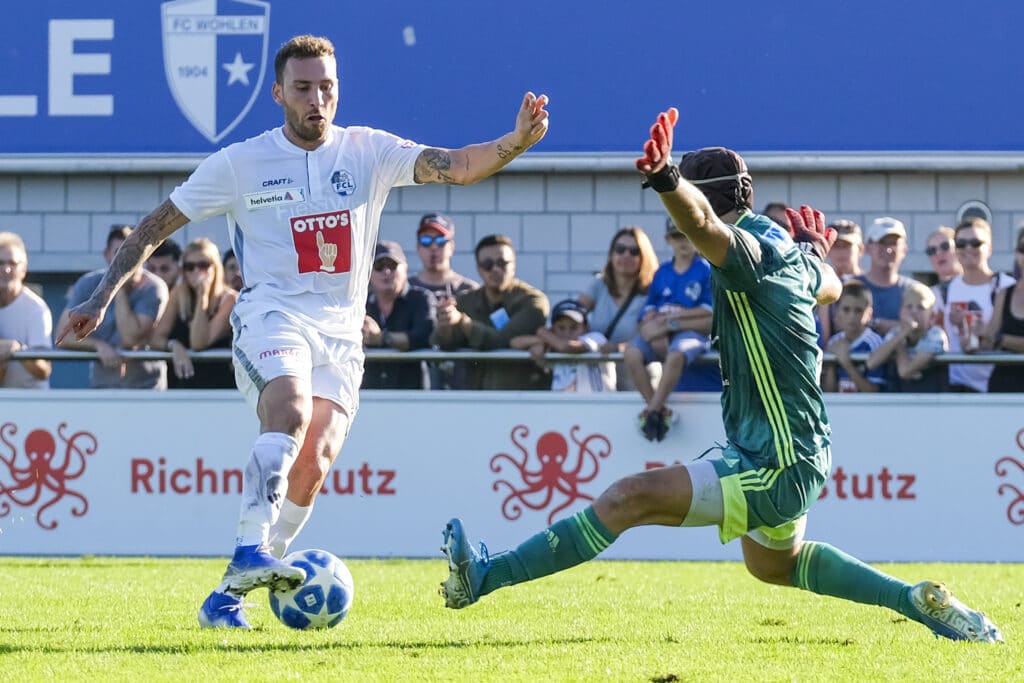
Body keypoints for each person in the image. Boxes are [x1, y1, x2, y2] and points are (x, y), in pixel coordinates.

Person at [437, 108, 1002, 644]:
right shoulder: (785, 247)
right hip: (790, 449)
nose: (679, 229)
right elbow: (828, 284)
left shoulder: (746, 253)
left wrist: (665, 179)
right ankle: (917, 600)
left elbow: (705, 224)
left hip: (775, 461)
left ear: (702, 199)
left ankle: (483, 577)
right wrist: (814, 252)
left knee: (628, 497)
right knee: (774, 565)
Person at [55, 34, 550, 629]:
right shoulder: (241, 163)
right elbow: (153, 227)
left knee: (314, 459)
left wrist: (516, 141)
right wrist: (101, 297)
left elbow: (461, 166)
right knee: (289, 411)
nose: (318, 99)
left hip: (341, 335)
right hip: (271, 317)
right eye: (304, 88)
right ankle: (248, 550)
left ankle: (228, 595)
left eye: (327, 87)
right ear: (278, 94)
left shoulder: (369, 151)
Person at [624, 218, 712, 441]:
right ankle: (658, 408)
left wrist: (672, 321)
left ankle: (651, 412)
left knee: (676, 354)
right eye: (677, 236)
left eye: (688, 235)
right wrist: (653, 328)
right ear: (668, 240)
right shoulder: (662, 272)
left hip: (691, 333)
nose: (683, 242)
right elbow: (647, 312)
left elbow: (710, 314)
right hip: (660, 330)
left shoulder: (706, 270)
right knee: (631, 353)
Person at [432, 234, 551, 390]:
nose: (495, 269)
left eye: (502, 263)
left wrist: (462, 322)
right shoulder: (467, 301)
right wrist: (445, 326)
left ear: (513, 265)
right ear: (478, 268)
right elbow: (441, 343)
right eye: (487, 264)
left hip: (521, 396)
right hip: (477, 395)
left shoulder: (533, 301)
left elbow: (502, 340)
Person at [57, 225, 169, 389]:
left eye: (133, 252)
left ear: (144, 255)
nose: (125, 259)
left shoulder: (153, 288)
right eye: (119, 252)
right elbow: (63, 335)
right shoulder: (89, 283)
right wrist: (98, 345)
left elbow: (130, 338)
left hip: (146, 388)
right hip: (102, 387)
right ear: (106, 255)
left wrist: (118, 287)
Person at [939, 218, 1016, 392]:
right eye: (961, 244)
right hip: (957, 386)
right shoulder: (945, 289)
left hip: (1000, 385)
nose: (968, 248)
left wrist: (988, 334)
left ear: (989, 248)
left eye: (975, 243)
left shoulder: (1007, 287)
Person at [577, 226, 658, 391]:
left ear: (644, 256)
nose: (626, 255)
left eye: (634, 251)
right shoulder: (599, 285)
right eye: (620, 249)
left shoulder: (654, 291)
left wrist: (617, 348)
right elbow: (573, 315)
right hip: (602, 380)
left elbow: (653, 338)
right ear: (611, 254)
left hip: (640, 380)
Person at [151, 238, 238, 389]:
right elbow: (155, 339)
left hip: (218, 386)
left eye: (203, 265)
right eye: (190, 267)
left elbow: (198, 343)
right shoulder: (178, 294)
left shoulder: (229, 299)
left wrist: (202, 296)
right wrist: (174, 345)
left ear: (215, 267)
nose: (196, 271)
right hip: (181, 384)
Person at [407, 212, 478, 390]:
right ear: (418, 247)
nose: (433, 248)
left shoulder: (469, 290)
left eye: (440, 241)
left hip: (461, 381)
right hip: (416, 381)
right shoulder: (406, 289)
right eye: (426, 241)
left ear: (451, 247)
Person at [362, 241, 436, 389]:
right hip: (369, 394)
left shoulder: (421, 299)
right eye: (379, 266)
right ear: (368, 272)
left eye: (392, 265)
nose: (386, 272)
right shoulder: (360, 304)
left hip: (411, 395)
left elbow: (423, 337)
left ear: (405, 268)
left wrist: (382, 338)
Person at [510, 298, 615, 393]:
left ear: (586, 327)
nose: (567, 333)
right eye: (561, 328)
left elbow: (565, 347)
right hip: (563, 405)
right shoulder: (553, 343)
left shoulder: (596, 338)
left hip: (598, 404)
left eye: (573, 327)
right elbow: (514, 342)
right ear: (553, 330)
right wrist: (539, 342)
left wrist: (542, 332)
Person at [866, 281, 948, 392]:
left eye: (921, 307)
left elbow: (905, 371)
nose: (914, 311)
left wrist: (899, 348)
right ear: (900, 312)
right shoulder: (896, 333)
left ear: (932, 316)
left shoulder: (936, 335)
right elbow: (871, 363)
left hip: (932, 396)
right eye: (909, 306)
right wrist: (902, 334)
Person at [0, 232, 52, 389]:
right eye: (0, 263)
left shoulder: (36, 309)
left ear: (23, 269)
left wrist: (17, 350)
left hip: (31, 399)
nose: (6, 269)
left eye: (12, 263)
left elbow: (44, 370)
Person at [978, 224, 1024, 393]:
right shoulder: (1004, 294)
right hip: (1004, 384)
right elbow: (990, 339)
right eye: (1022, 249)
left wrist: (1000, 340)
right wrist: (974, 336)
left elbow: (996, 339)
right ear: (1016, 254)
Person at [852, 217, 915, 336]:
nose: (888, 249)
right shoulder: (851, 287)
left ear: (904, 250)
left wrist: (875, 323)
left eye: (894, 243)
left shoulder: (913, 291)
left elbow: (918, 330)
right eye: (881, 243)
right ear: (867, 248)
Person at [821, 280, 884, 393]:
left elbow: (874, 391)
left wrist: (846, 363)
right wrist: (831, 364)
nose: (852, 316)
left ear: (869, 314)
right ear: (837, 312)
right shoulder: (834, 342)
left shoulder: (875, 343)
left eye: (858, 310)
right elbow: (829, 391)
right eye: (846, 309)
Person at [817, 219, 864, 345]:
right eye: (835, 246)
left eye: (847, 246)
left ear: (860, 249)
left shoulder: (871, 283)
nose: (841, 252)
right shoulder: (819, 285)